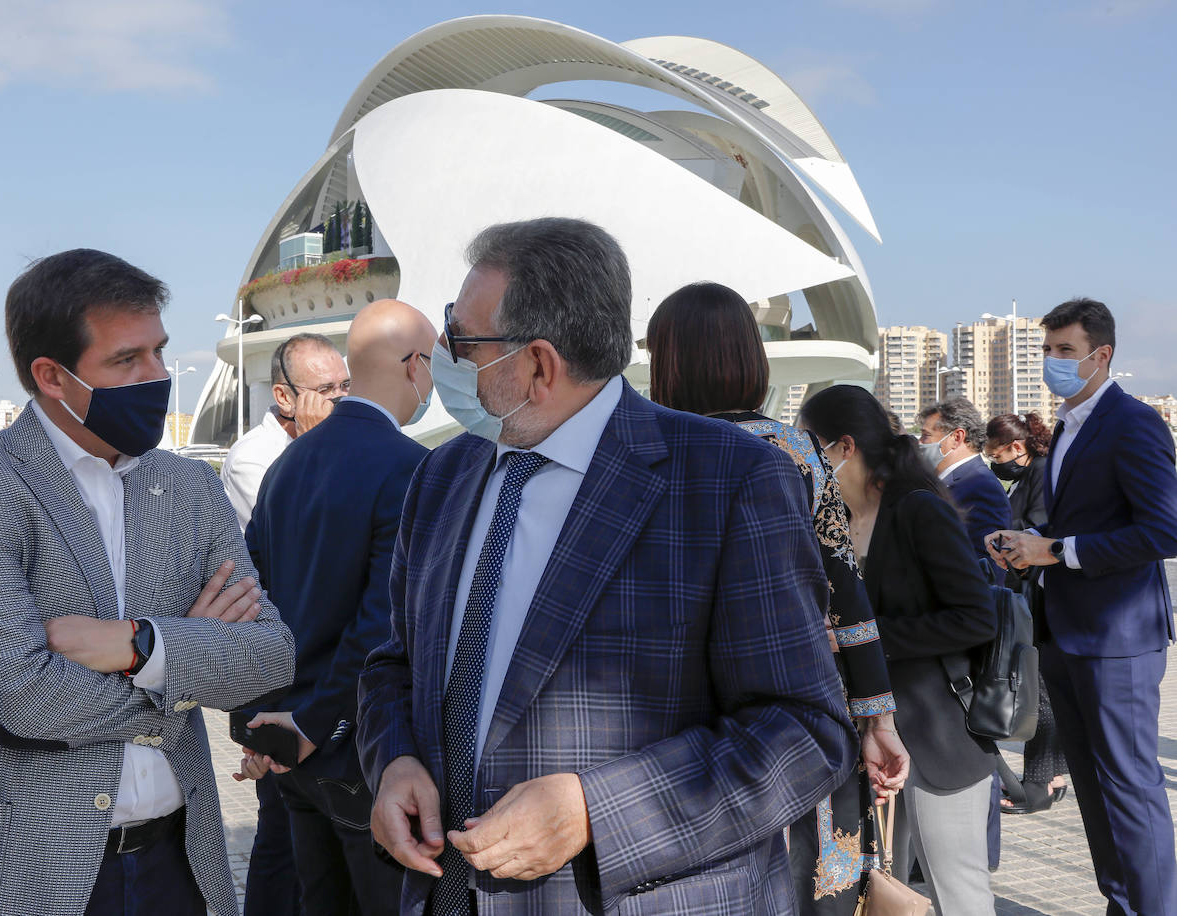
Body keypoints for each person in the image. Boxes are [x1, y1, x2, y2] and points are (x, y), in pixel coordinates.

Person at [358, 218, 856, 915]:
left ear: (538, 363)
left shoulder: (727, 480)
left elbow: (804, 733)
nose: (444, 354)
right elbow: (394, 664)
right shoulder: (441, 477)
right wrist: (395, 762)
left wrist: (596, 811)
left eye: (463, 338)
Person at [0, 249, 296, 916]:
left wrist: (137, 646)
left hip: (175, 867)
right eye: (127, 361)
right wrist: (185, 671)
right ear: (52, 377)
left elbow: (269, 658)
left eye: (159, 350)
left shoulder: (188, 486)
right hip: (13, 871)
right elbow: (21, 697)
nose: (158, 375)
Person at [646, 281, 908, 915]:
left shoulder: (648, 449)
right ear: (749, 357)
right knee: (810, 877)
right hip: (801, 707)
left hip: (669, 716)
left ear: (669, 361)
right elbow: (846, 593)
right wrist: (879, 720)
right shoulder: (801, 456)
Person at [234, 299, 437, 916]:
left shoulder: (288, 462)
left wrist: (268, 723)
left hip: (297, 749)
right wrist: (313, 724)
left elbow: (252, 604)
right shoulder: (409, 466)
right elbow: (382, 624)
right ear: (415, 367)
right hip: (358, 750)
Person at [987, 297, 1177, 916]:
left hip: (1118, 636)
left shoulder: (1133, 422)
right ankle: (1120, 902)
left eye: (1065, 351)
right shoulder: (1068, 424)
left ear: (1103, 355)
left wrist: (1058, 550)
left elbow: (1166, 529)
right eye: (1045, 351)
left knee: (1129, 785)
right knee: (1093, 790)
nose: (1052, 362)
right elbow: (1070, 525)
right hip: (1063, 631)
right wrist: (1025, 548)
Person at [800, 384, 998, 916]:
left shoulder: (917, 511)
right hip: (859, 744)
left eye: (807, 446)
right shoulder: (829, 522)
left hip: (934, 735)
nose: (800, 461)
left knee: (959, 894)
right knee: (886, 896)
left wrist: (863, 634)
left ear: (844, 448)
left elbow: (976, 617)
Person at [984, 412, 1068, 815]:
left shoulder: (1039, 475)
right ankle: (1047, 778)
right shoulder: (1025, 476)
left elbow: (1041, 530)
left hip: (1040, 595)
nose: (994, 461)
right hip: (1029, 592)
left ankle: (1043, 781)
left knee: (1042, 689)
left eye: (996, 453)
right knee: (1040, 686)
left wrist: (1013, 542)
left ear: (1018, 448)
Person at [221, 331, 349, 529]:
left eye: (345, 385)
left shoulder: (348, 440)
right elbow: (293, 534)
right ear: (284, 397)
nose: (340, 397)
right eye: (325, 389)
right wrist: (313, 447)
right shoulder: (250, 458)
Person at [917, 396, 1012, 583]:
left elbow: (987, 568)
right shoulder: (942, 482)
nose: (920, 443)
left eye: (926, 435)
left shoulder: (981, 486)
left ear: (956, 437)